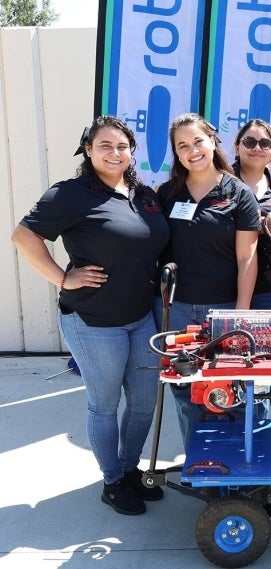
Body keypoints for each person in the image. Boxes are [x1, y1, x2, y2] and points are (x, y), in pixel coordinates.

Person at [11, 116, 170, 516]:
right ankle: (113, 481)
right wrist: (62, 278)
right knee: (105, 404)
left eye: (122, 146)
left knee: (144, 402)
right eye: (105, 145)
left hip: (141, 318)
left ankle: (129, 469)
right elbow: (23, 235)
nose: (114, 153)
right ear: (88, 150)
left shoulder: (142, 193)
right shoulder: (72, 194)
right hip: (95, 322)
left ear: (132, 150)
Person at [155, 114, 271, 521]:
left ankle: (258, 482)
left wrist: (241, 314)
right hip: (178, 310)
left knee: (242, 395)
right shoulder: (166, 193)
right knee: (186, 393)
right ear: (175, 153)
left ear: (213, 141)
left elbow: (247, 256)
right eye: (182, 146)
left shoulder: (237, 193)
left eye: (198, 141)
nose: (192, 151)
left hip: (223, 310)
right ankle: (207, 471)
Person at [232, 119, 271, 310]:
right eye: (249, 142)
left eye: (265, 143)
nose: (257, 148)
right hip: (226, 288)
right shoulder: (221, 184)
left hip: (269, 291)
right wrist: (260, 225)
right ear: (237, 147)